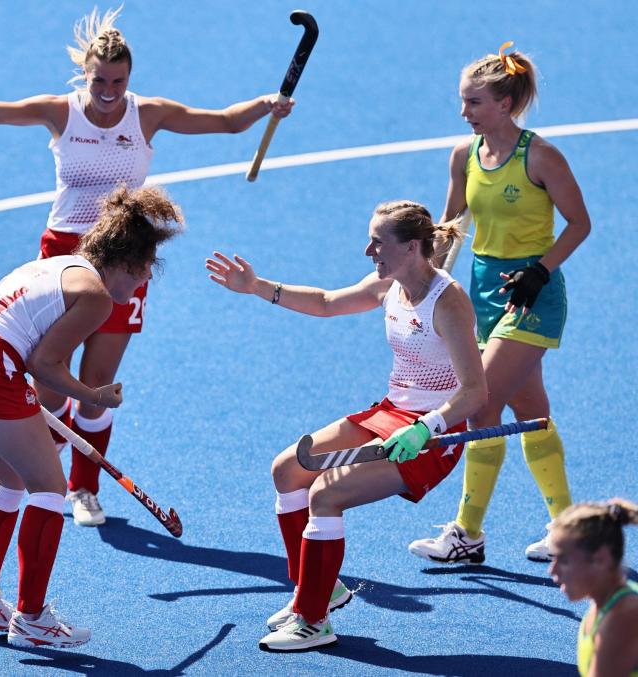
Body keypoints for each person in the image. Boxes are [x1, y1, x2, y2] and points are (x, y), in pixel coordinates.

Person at [0, 6, 293, 528]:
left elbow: (227, 123)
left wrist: (266, 105)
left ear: (129, 77)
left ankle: (83, 488)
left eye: (118, 81)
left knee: (98, 383)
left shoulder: (148, 114)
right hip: (64, 254)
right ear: (87, 74)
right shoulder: (61, 112)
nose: (109, 90)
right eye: (100, 79)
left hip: (122, 258)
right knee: (51, 382)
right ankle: (45, 466)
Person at [206, 201, 487, 652]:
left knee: (326, 494)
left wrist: (425, 428)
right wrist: (257, 287)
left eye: (378, 241)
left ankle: (313, 621)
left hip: (436, 435)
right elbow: (325, 302)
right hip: (393, 411)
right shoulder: (389, 283)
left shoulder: (449, 303)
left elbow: (475, 393)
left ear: (412, 247)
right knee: (288, 470)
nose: (367, 249)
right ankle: (320, 591)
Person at [0, 185, 183, 648]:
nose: (143, 282)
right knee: (47, 486)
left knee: (10, 478)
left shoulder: (55, 266)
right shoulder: (96, 295)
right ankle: (31, 619)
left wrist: (22, 387)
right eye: (146, 272)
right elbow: (46, 365)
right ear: (130, 262)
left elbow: (26, 349)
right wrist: (93, 394)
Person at [408, 42, 591, 564]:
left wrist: (541, 269)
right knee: (531, 411)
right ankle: (569, 529)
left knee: (480, 403)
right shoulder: (463, 156)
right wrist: (428, 280)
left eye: (474, 103)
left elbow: (581, 223)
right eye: (463, 102)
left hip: (534, 293)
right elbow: (451, 228)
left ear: (506, 104)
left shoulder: (541, 156)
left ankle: (467, 531)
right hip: (484, 291)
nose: (463, 112)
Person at [549, 499, 638, 676]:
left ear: (601, 559)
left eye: (564, 560)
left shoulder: (622, 618)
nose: (552, 570)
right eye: (553, 558)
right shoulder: (606, 602)